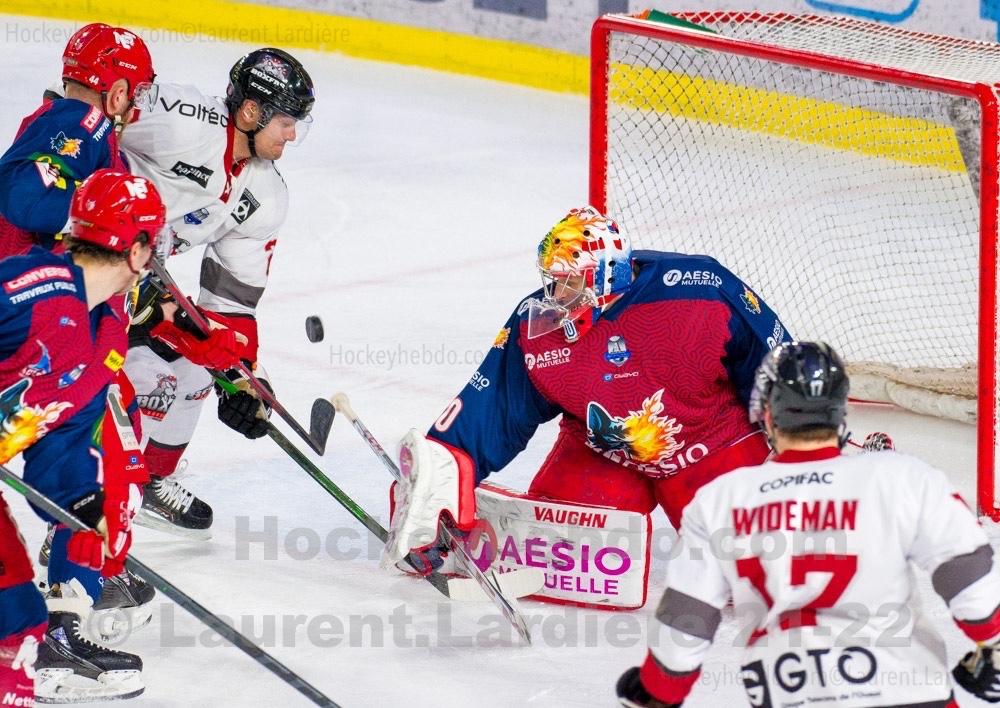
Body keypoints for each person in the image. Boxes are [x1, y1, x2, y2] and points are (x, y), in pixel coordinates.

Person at [385, 206, 792, 608]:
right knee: (556, 555)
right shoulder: (536, 326)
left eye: (571, 282)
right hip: (603, 450)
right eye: (554, 281)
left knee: (762, 579)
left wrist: (810, 446)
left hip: (711, 442)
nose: (557, 295)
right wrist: (437, 485)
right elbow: (494, 407)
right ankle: (464, 522)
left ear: (606, 275)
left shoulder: (700, 289)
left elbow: (777, 364)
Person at [616, 341, 1000, 707]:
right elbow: (967, 573)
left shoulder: (722, 498)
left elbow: (687, 623)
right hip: (908, 692)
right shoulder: (902, 476)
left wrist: (656, 690)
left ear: (767, 413)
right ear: (839, 411)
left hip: (789, 691)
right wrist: (993, 645)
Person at [119, 47, 315, 538]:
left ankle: (149, 480)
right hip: (78, 257)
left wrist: (243, 378)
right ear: (251, 112)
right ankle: (99, 486)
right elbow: (95, 114)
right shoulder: (184, 119)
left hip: (137, 278)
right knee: (146, 379)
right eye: (287, 121)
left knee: (206, 360)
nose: (292, 134)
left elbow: (231, 306)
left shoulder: (266, 197)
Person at [0, 169, 167, 702]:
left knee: (21, 627)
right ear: (139, 251)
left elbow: (63, 441)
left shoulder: (106, 330)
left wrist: (82, 503)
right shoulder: (34, 287)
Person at [0, 22, 156, 257]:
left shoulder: (80, 128)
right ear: (118, 96)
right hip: (23, 284)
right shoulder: (83, 122)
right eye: (138, 95)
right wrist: (106, 215)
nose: (135, 110)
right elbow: (22, 199)